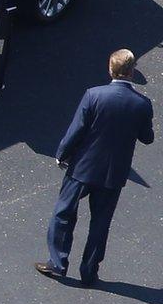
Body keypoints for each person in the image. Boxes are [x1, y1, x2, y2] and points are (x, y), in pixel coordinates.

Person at [35, 49, 154, 285]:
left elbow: (77, 129)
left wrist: (62, 154)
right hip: (113, 173)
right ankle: (89, 273)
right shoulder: (142, 104)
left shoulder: (94, 95)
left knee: (63, 213)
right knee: (100, 224)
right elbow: (147, 138)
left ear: (110, 69)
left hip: (83, 167)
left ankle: (58, 263)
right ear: (131, 72)